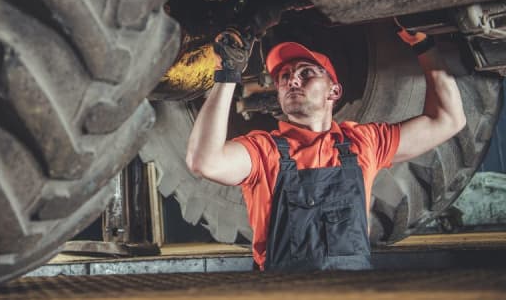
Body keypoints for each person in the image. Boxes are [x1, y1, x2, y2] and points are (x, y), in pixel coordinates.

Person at [185, 26, 466, 271]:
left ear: (334, 92)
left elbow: (447, 119)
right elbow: (205, 162)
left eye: (306, 73)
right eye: (283, 76)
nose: (292, 80)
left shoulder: (363, 143)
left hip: (352, 289)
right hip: (284, 292)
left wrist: (424, 45)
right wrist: (227, 75)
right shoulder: (263, 150)